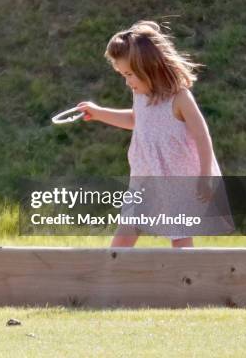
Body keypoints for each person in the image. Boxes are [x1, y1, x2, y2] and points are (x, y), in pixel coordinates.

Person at [77, 21, 224, 248]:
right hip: (146, 174)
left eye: (130, 74)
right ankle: (109, 280)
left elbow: (202, 136)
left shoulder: (180, 99)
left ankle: (186, 279)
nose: (127, 82)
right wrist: (98, 113)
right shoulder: (141, 95)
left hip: (174, 178)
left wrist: (205, 176)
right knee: (125, 233)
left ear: (150, 67)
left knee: (180, 237)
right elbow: (136, 120)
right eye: (123, 75)